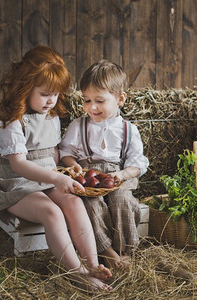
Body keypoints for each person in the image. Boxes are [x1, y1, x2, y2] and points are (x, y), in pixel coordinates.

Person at [0, 46, 112, 292]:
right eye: (45, 94)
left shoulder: (52, 116)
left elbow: (51, 153)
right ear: (25, 87)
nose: (51, 101)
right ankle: (76, 274)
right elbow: (19, 164)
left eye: (56, 95)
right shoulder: (13, 121)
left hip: (46, 181)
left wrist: (68, 170)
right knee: (51, 213)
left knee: (74, 202)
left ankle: (91, 263)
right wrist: (56, 179)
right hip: (17, 186)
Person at [59, 59, 149, 269]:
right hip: (89, 180)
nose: (92, 107)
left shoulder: (129, 130)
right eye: (87, 100)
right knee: (90, 204)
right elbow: (65, 152)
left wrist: (123, 175)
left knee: (123, 201)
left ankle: (124, 251)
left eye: (99, 101)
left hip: (117, 178)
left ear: (120, 99)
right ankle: (105, 251)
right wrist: (73, 164)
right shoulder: (78, 126)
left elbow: (138, 164)